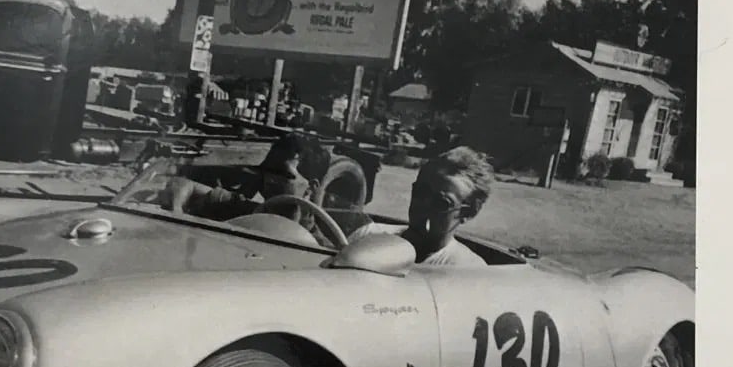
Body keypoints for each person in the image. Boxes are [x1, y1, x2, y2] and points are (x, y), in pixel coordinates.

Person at [349, 146, 493, 267]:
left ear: (468, 213)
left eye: (440, 202)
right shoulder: (369, 236)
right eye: (420, 192)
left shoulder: (467, 269)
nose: (423, 205)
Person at [162, 134, 330, 234]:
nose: (270, 181)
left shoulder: (322, 250)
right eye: (267, 172)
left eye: (282, 175)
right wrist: (177, 215)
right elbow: (181, 184)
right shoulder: (251, 212)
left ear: (311, 187)